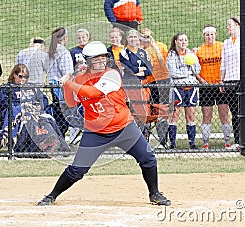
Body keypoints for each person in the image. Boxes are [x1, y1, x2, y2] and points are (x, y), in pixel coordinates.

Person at [37, 41, 171, 206]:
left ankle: (155, 193)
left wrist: (69, 83)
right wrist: (68, 84)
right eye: (96, 59)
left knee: (148, 158)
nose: (101, 61)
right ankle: (51, 196)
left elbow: (93, 92)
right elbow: (71, 102)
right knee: (77, 170)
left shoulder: (112, 74)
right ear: (87, 61)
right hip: (95, 133)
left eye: (103, 58)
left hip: (124, 128)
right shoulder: (80, 79)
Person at [196, 25, 231, 149]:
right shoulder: (199, 50)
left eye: (212, 34)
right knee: (206, 115)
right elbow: (195, 69)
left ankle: (227, 141)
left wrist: (223, 80)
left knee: (224, 115)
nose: (210, 37)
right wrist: (201, 80)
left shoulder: (222, 47)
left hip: (220, 85)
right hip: (206, 86)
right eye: (207, 35)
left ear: (215, 35)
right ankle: (206, 142)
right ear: (204, 36)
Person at [166, 32, 203, 150]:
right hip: (177, 88)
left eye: (185, 40)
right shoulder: (172, 55)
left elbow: (197, 70)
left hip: (191, 88)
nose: (183, 42)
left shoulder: (191, 54)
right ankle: (173, 143)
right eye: (181, 40)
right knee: (174, 115)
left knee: (191, 115)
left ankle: (192, 143)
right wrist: (188, 73)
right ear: (176, 42)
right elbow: (173, 73)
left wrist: (192, 61)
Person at [139, 28, 171, 147]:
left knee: (160, 110)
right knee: (152, 110)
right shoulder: (142, 50)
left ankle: (163, 139)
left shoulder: (159, 47)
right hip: (152, 82)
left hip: (160, 81)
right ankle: (152, 138)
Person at [119, 29, 153, 139]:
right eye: (130, 37)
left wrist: (139, 70)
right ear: (127, 39)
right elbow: (129, 69)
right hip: (130, 85)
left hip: (143, 84)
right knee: (132, 110)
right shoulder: (123, 52)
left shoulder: (143, 52)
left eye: (135, 37)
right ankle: (131, 136)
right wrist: (140, 69)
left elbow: (150, 70)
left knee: (144, 110)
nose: (133, 39)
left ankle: (144, 135)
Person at [47, 27, 74, 137]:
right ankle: (59, 139)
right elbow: (67, 72)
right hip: (62, 87)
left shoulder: (51, 51)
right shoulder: (63, 52)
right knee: (64, 115)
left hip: (53, 85)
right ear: (65, 38)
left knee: (58, 113)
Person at [220, 17, 241, 150]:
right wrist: (221, 80)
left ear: (238, 26)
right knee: (234, 111)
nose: (228, 28)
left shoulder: (244, 40)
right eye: (227, 25)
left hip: (241, 79)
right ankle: (238, 140)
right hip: (229, 80)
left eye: (231, 25)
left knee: (244, 110)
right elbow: (223, 63)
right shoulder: (226, 43)